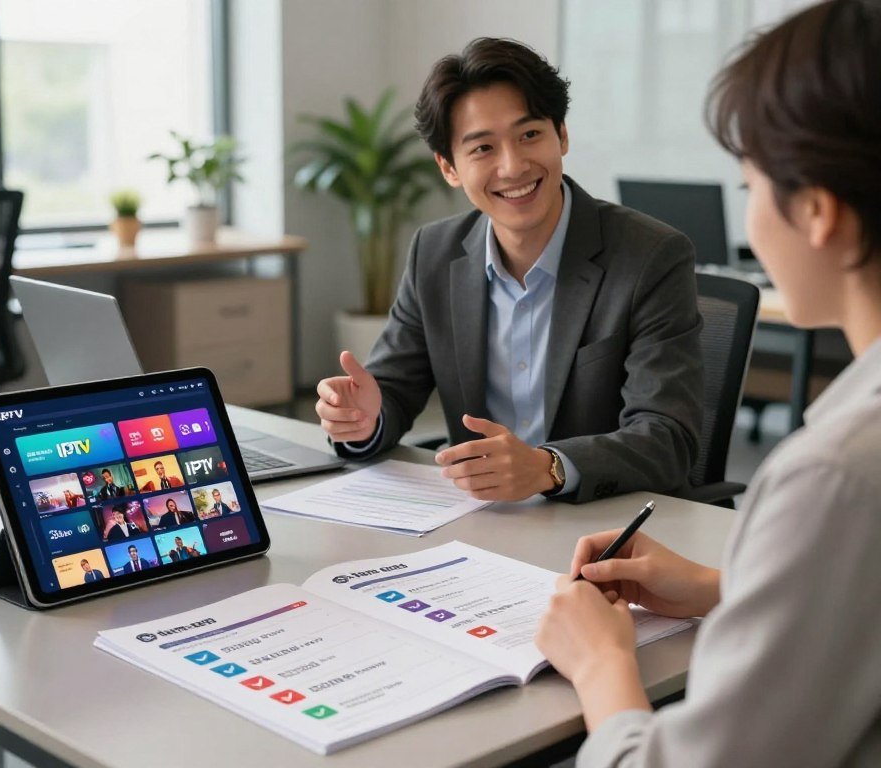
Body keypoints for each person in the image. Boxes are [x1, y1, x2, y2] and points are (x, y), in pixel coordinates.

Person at [534, 2, 881, 764]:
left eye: (749, 184)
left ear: (817, 211)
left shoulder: (837, 470)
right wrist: (730, 590)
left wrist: (600, 663)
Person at [315, 38, 703, 504]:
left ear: (562, 135)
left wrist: (549, 468)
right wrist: (364, 419)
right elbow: (393, 390)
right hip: (484, 522)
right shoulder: (435, 253)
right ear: (449, 168)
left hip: (605, 521)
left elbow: (667, 438)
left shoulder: (649, 256)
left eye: (530, 135)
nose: (513, 166)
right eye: (482, 148)